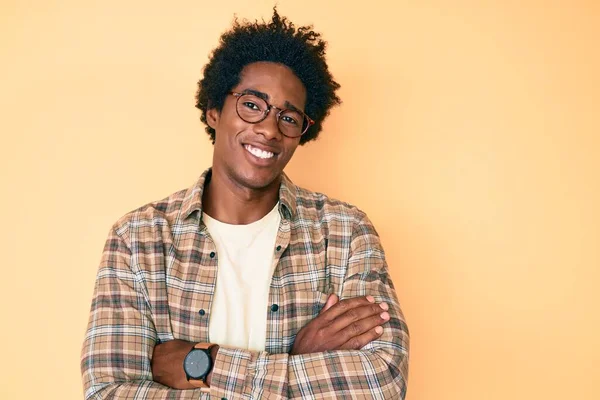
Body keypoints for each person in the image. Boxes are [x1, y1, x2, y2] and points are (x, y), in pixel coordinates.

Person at [81, 8, 409, 399]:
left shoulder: (345, 232)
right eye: (252, 105)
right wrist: (296, 360)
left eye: (289, 117)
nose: (270, 129)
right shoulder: (138, 239)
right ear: (214, 110)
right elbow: (107, 392)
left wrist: (200, 363)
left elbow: (382, 382)